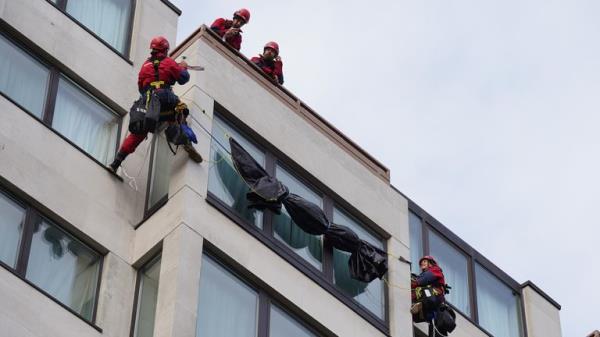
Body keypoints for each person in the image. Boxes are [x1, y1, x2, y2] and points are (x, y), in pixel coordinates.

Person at [109, 36, 198, 172]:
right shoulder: (169, 62)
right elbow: (183, 79)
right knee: (181, 111)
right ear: (165, 49)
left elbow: (140, 87)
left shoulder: (145, 66)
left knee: (138, 134)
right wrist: (183, 68)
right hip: (165, 99)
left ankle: (117, 161)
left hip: (148, 103)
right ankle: (185, 140)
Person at [411, 255, 447, 323]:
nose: (422, 263)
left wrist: (413, 283)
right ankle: (421, 311)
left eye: (424, 261)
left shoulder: (435, 270)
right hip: (432, 299)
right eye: (421, 263)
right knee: (417, 292)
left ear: (430, 263)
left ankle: (421, 306)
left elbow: (425, 278)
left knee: (423, 290)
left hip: (436, 295)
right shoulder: (423, 274)